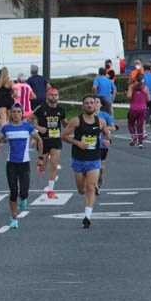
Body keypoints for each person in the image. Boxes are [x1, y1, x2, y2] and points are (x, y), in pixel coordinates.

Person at [61, 95, 113, 228]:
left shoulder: (100, 121)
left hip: (94, 159)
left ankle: (87, 216)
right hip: (79, 159)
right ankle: (87, 205)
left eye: (92, 103)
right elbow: (64, 136)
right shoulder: (76, 121)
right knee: (81, 190)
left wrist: (107, 140)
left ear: (95, 106)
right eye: (87, 103)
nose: (90, 105)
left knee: (90, 187)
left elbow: (107, 134)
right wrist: (77, 142)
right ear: (83, 106)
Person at [0, 103, 43, 229]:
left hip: (24, 163)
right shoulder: (7, 128)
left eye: (18, 112)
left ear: (22, 114)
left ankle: (24, 198)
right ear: (11, 114)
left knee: (24, 191)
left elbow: (39, 140)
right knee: (13, 191)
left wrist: (40, 157)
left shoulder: (28, 127)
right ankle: (14, 217)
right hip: (11, 164)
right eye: (14, 112)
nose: (16, 114)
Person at [30, 88, 67, 199]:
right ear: (47, 96)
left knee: (54, 165)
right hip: (43, 140)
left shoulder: (61, 110)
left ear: (58, 97)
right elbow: (29, 119)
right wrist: (38, 127)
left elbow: (65, 123)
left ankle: (50, 190)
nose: (53, 97)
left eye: (55, 95)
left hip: (56, 140)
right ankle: (41, 167)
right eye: (51, 95)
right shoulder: (41, 108)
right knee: (43, 167)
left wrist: (73, 126)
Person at [126, 71, 151, 148]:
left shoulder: (131, 87)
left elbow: (129, 96)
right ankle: (140, 142)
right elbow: (149, 99)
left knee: (131, 123)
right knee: (140, 125)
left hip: (133, 108)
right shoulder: (145, 88)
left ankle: (134, 136)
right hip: (143, 108)